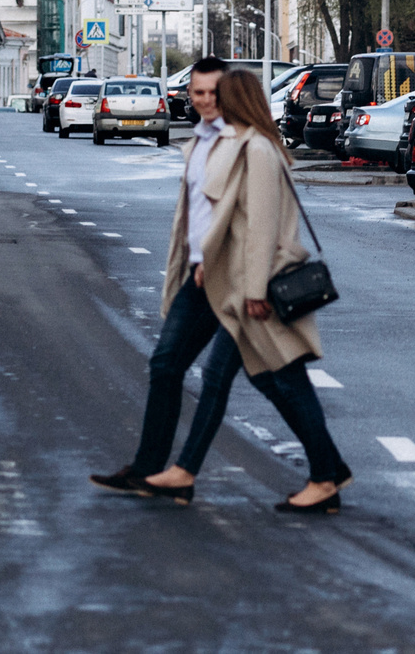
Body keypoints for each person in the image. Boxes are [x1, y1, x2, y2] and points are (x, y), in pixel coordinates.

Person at [93, 59, 353, 512]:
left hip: (247, 287)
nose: (210, 102)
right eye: (202, 94)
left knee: (265, 379)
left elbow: (260, 227)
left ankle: (320, 474)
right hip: (219, 280)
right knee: (265, 379)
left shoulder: (257, 149)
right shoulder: (221, 144)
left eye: (221, 96)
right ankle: (326, 469)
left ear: (236, 100)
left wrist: (252, 289)